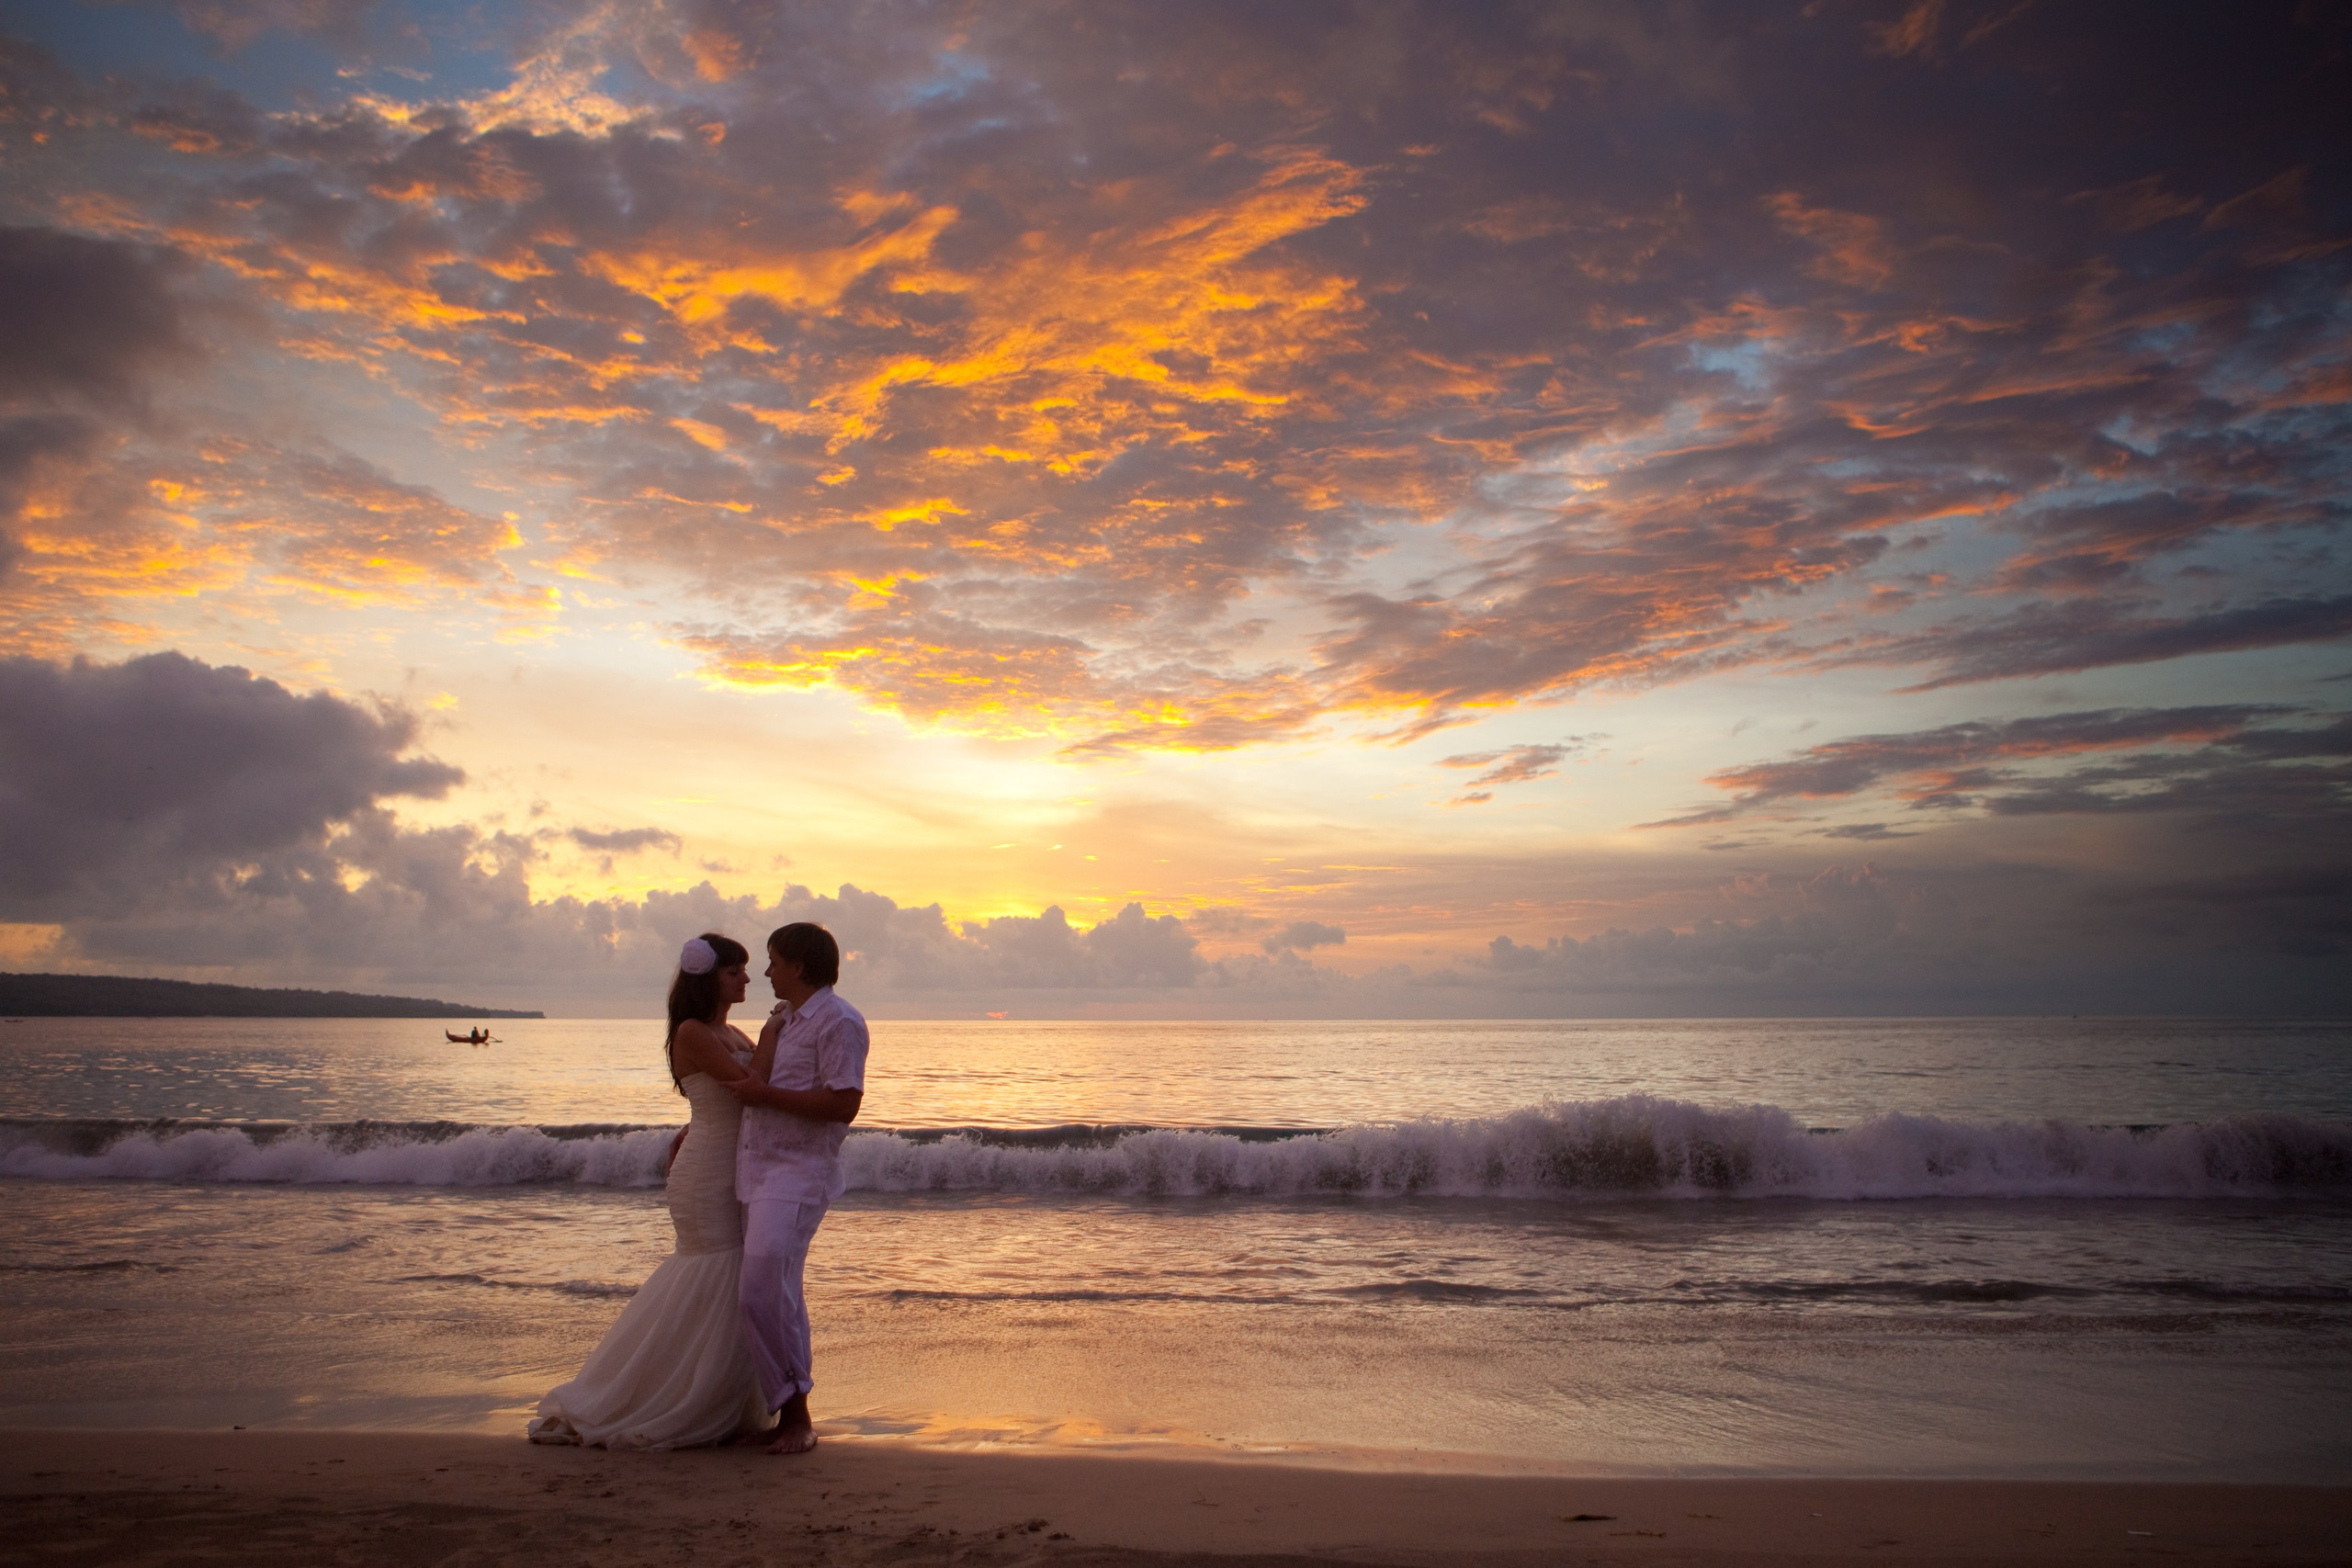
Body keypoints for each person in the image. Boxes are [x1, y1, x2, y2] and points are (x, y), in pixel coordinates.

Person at [526, 933, 769, 1449]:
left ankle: (711, 1395)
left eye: (746, 970)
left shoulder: (732, 1031)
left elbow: (720, 1102)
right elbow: (745, 1091)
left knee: (730, 1277)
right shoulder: (694, 1031)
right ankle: (667, 1397)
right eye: (735, 972)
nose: (747, 979)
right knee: (713, 1270)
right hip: (706, 1173)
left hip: (729, 1164)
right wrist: (780, 1031)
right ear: (710, 980)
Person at [726, 920, 867, 1455]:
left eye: (774, 962)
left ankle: (797, 1413)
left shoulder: (839, 1020)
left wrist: (767, 1098)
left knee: (762, 1288)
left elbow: (843, 1104)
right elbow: (755, 1087)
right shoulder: (785, 1019)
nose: (766, 972)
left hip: (798, 1172)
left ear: (800, 966)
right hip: (758, 1168)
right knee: (775, 1290)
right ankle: (789, 1410)